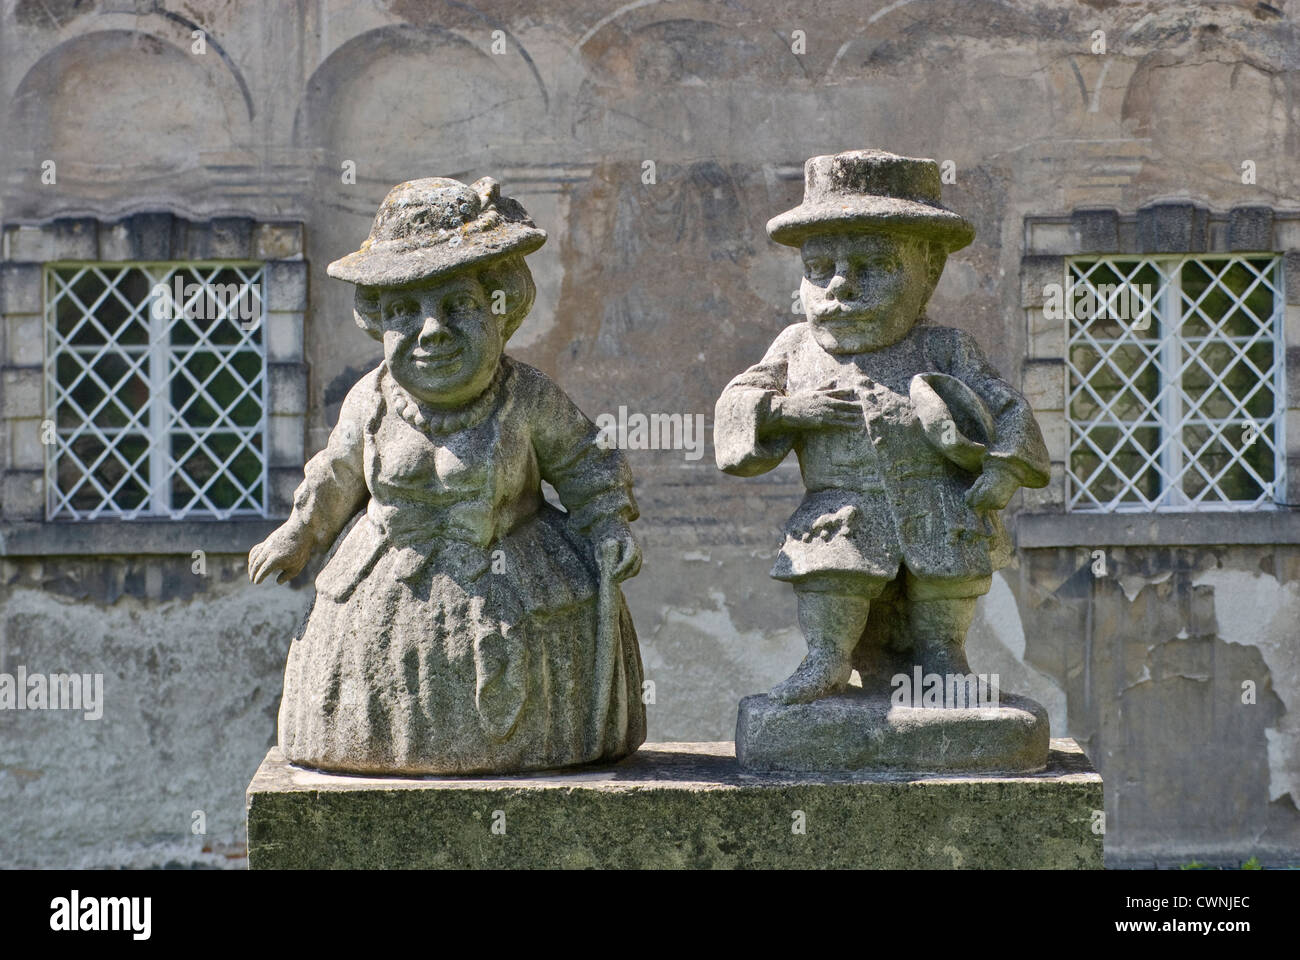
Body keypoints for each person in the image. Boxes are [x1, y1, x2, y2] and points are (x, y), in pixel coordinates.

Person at [249, 176, 645, 774]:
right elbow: (336, 473)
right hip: (387, 583)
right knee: (372, 725)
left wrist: (609, 524)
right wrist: (300, 533)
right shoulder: (372, 400)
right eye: (406, 311)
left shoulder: (525, 397)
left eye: (457, 306)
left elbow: (587, 461)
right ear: (377, 320)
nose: (432, 331)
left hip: (515, 580)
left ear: (499, 308)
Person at [715, 150, 1050, 705]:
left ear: (928, 272)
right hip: (843, 504)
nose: (841, 287)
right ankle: (825, 659)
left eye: (871, 267)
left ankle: (945, 662)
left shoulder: (946, 347)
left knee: (948, 582)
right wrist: (787, 412)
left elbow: (1009, 409)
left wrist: (1005, 470)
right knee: (829, 574)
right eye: (820, 270)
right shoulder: (796, 346)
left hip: (938, 501)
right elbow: (739, 400)